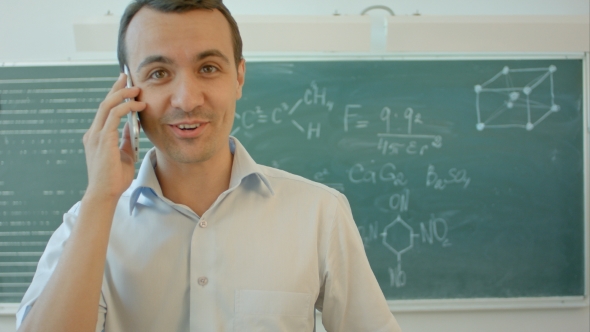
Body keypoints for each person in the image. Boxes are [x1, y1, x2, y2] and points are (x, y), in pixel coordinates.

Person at [16, 1, 402, 331]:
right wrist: (101, 197)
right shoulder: (88, 224)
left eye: (208, 68)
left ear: (239, 77)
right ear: (127, 90)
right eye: (158, 74)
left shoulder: (319, 213)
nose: (186, 98)